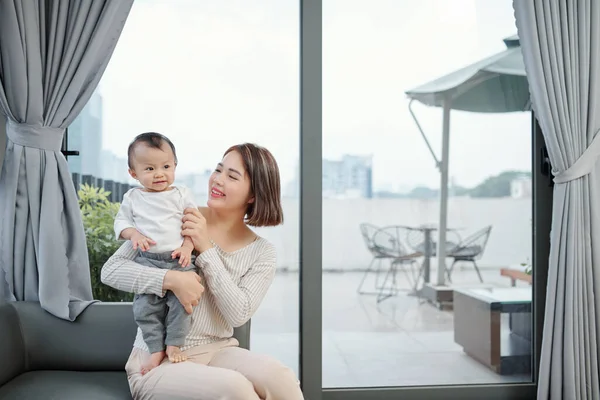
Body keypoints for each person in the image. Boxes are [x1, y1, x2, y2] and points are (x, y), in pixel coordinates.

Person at [101, 143, 304, 400]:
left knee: (280, 377)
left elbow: (238, 313)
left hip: (219, 351)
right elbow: (111, 271)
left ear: (253, 195)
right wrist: (171, 279)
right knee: (235, 389)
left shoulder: (262, 252)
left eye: (231, 176)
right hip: (158, 361)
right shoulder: (179, 216)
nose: (217, 180)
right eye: (218, 170)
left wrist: (205, 248)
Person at [114, 132, 197, 373]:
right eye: (149, 168)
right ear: (134, 174)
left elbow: (192, 224)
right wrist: (135, 235)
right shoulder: (132, 197)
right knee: (144, 308)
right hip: (148, 262)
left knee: (182, 304)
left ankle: (174, 345)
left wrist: (187, 246)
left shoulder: (181, 194)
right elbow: (122, 224)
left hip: (178, 259)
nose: (159, 173)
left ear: (175, 166)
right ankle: (155, 348)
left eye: (166, 166)